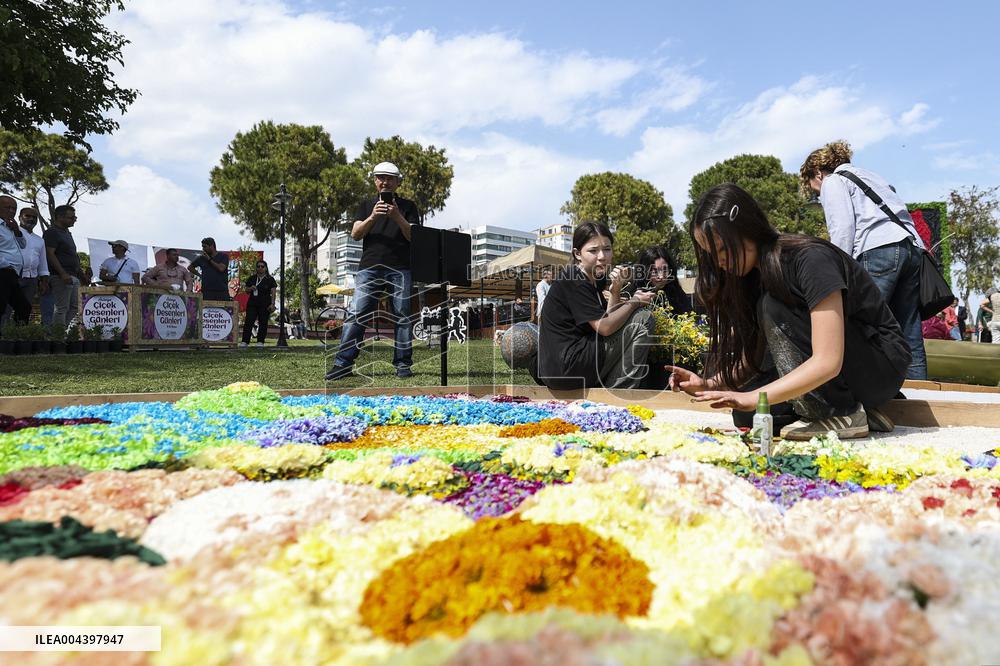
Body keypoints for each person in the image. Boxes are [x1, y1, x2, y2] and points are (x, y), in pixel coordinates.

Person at [668, 184, 909, 440]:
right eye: (710, 255)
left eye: (723, 249)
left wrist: (752, 396)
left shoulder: (809, 259)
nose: (719, 262)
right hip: (842, 372)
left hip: (878, 366)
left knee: (755, 398)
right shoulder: (755, 276)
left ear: (748, 229)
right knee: (747, 414)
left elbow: (828, 360)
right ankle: (859, 409)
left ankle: (843, 412)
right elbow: (758, 355)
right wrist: (710, 384)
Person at [801, 141, 928, 380]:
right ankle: (918, 395)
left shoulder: (833, 181)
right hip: (911, 249)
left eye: (815, 190)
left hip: (878, 251)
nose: (818, 194)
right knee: (908, 328)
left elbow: (843, 228)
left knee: (860, 324)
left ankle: (862, 390)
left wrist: (838, 272)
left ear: (817, 173)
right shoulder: (872, 177)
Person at [326, 162, 421, 380]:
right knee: (356, 314)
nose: (385, 181)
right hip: (369, 267)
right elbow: (356, 234)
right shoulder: (366, 205)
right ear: (374, 180)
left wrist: (397, 216)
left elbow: (414, 237)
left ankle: (403, 364)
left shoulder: (408, 207)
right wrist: (373, 216)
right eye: (380, 177)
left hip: (401, 268)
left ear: (398, 182)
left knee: (403, 316)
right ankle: (343, 364)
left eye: (390, 178)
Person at [537, 221, 654, 390]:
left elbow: (607, 319)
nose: (602, 256)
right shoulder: (574, 279)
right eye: (593, 250)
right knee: (643, 319)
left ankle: (612, 387)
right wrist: (634, 302)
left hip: (567, 365)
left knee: (635, 316)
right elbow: (605, 327)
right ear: (577, 254)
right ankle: (620, 392)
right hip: (568, 368)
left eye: (607, 249)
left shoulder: (593, 278)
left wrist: (615, 291)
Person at [1, 206, 47, 327]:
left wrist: (44, 280)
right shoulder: (12, 232)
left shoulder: (39, 240)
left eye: (34, 217)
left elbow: (43, 262)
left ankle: (19, 336)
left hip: (32, 278)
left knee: (24, 309)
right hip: (14, 275)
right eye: (27, 216)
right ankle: (4, 337)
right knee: (6, 309)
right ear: (19, 217)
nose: (31, 219)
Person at [43, 204, 81, 330]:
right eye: (71, 217)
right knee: (62, 307)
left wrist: (81, 274)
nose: (74, 219)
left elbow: (73, 255)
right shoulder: (52, 232)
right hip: (60, 275)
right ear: (60, 217)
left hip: (73, 275)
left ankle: (59, 331)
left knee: (75, 306)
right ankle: (57, 336)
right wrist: (62, 273)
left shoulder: (67, 233)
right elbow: (50, 254)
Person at [627, 245, 692, 314]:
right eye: (655, 271)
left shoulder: (677, 295)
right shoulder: (632, 295)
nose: (661, 276)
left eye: (665, 270)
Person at [0, 195, 31, 327]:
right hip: (3, 271)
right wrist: (5, 264)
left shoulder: (9, 226)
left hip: (12, 274)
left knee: (24, 307)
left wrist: (17, 231)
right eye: (8, 207)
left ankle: (18, 338)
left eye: (14, 208)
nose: (12, 211)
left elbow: (23, 245)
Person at [240, 259, 276, 347]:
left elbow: (273, 292)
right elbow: (246, 290)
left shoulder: (270, 279)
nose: (260, 268)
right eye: (258, 266)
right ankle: (245, 341)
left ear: (266, 268)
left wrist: (272, 304)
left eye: (262, 266)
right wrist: (250, 288)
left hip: (265, 304)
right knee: (249, 322)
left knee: (263, 323)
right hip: (252, 303)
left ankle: (260, 341)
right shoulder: (252, 278)